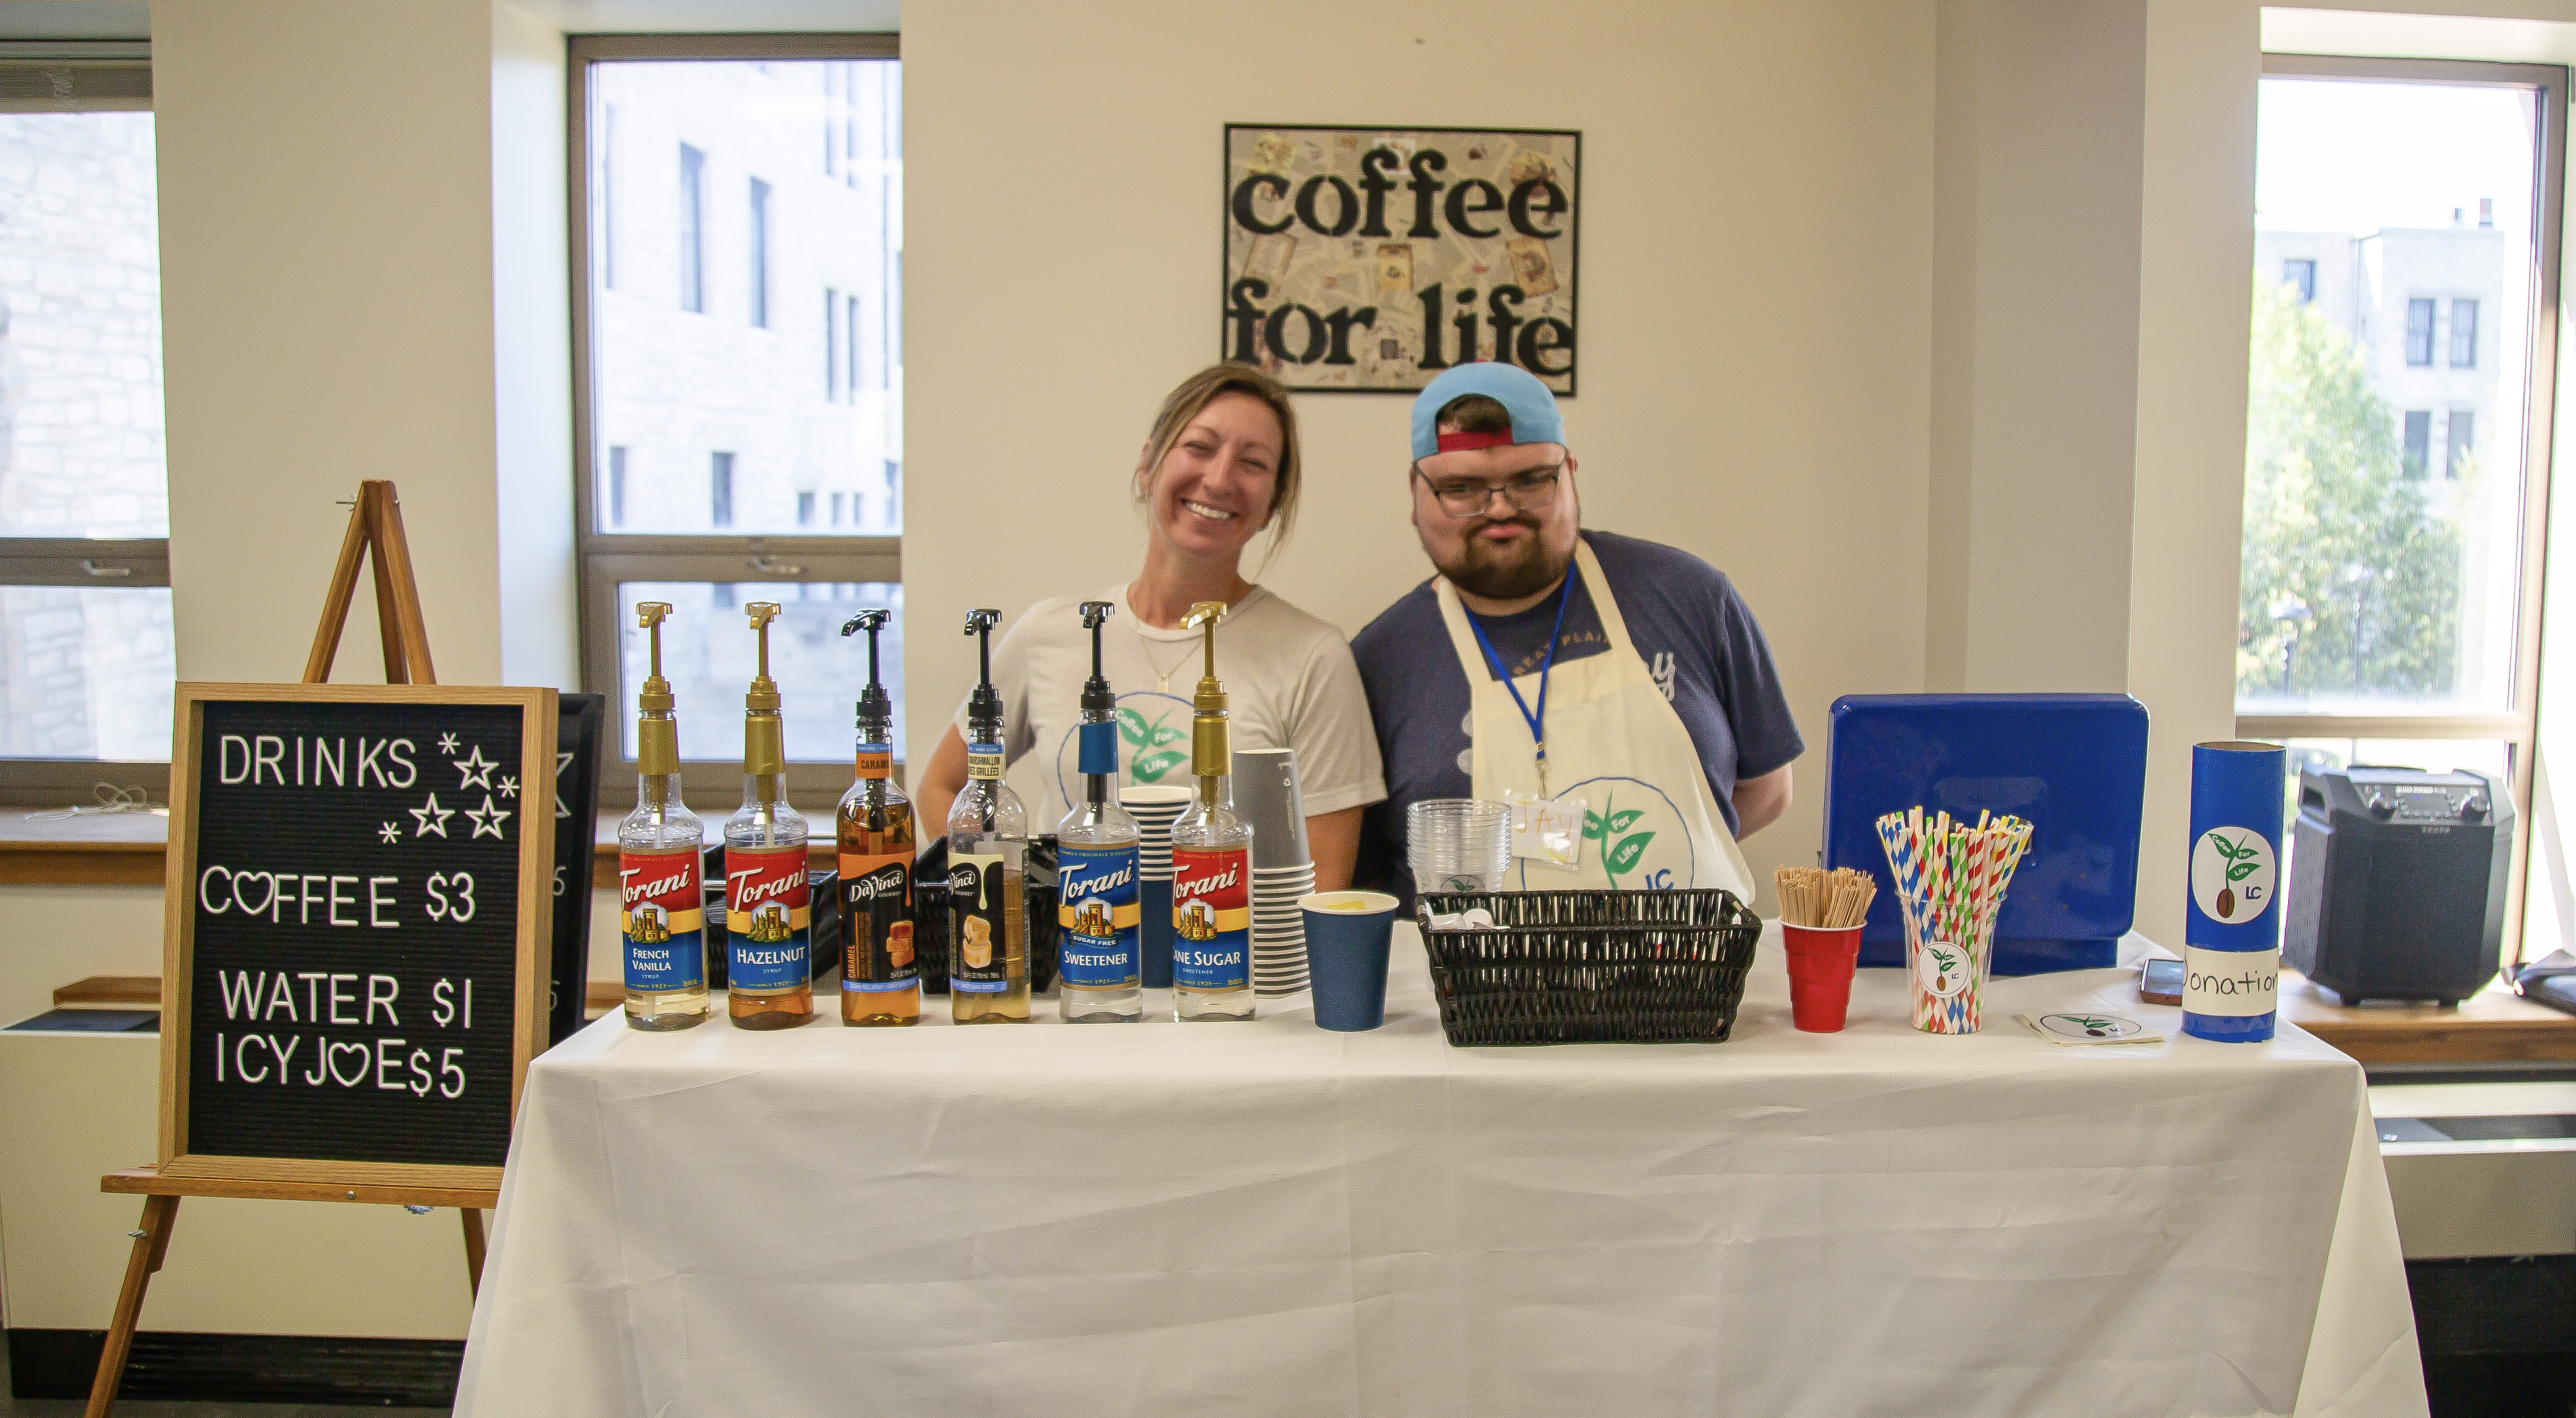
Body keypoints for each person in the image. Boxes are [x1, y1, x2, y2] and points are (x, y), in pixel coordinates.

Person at [915, 363, 1385, 890]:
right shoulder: (1050, 632)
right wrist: (1002, 898)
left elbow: (1323, 886)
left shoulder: (1314, 656)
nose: (1220, 477)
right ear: (1148, 465)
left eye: (1253, 463)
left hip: (1222, 963)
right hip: (1074, 962)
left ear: (1273, 503)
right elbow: (942, 785)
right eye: (1200, 447)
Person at [1351, 362, 1801, 904]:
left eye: (1530, 480)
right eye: (1461, 488)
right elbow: (1368, 871)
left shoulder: (1693, 597)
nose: (1499, 509)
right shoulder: (1378, 663)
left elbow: (1768, 791)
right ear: (1415, 492)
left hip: (1690, 976)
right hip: (1478, 987)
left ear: (1570, 471)